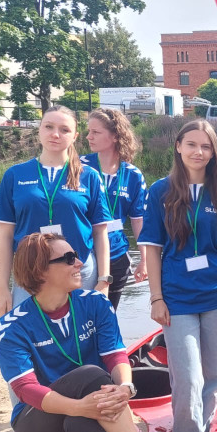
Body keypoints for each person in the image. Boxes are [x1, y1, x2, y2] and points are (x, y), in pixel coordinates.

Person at [0, 232, 195, 432]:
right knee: (90, 376)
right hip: (38, 422)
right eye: (68, 259)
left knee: (89, 408)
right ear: (40, 271)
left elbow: (116, 355)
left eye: (77, 255)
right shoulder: (11, 325)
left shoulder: (95, 302)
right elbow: (26, 388)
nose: (80, 263)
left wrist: (126, 388)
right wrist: (80, 406)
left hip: (93, 409)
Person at [138, 120, 217, 432]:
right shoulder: (160, 192)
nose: (199, 152)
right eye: (192, 144)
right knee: (186, 380)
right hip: (177, 300)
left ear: (214, 152)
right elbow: (152, 250)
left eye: (206, 146)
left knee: (215, 378)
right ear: (178, 146)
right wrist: (156, 297)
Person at [0, 105, 112, 313]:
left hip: (78, 270)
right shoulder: (15, 175)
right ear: (39, 130)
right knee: (31, 337)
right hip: (30, 272)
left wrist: (104, 281)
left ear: (75, 136)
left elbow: (100, 233)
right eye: (49, 127)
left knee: (80, 337)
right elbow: (5, 236)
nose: (55, 134)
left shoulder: (89, 176)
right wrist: (3, 288)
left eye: (64, 130)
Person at [82, 108, 148, 310]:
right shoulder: (78, 166)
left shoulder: (132, 175)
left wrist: (144, 259)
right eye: (88, 131)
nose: (89, 136)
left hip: (116, 255)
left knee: (107, 316)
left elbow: (138, 220)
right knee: (80, 316)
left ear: (115, 136)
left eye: (96, 132)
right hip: (83, 255)